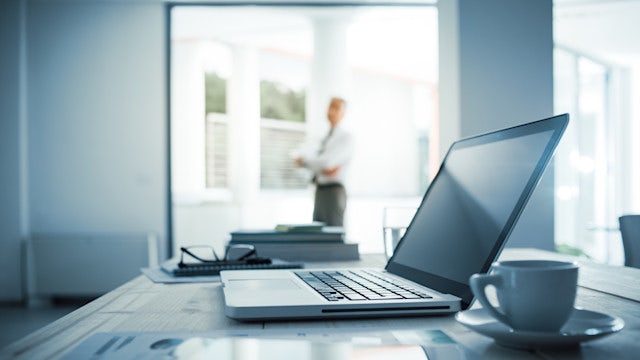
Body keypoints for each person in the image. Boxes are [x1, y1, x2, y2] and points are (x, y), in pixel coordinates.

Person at [295, 97, 354, 226]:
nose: (332, 111)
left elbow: (328, 165)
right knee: (317, 234)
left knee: (333, 235)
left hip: (334, 192)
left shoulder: (346, 138)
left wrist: (306, 162)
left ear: (343, 113)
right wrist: (318, 164)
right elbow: (300, 158)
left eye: (337, 108)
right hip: (319, 191)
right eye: (330, 107)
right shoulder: (322, 137)